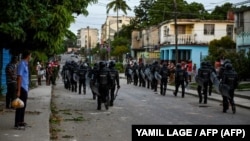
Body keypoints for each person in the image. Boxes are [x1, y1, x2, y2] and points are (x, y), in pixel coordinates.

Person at [15, 50, 31, 128]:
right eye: (30, 55)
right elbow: (19, 77)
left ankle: (21, 121)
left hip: (25, 87)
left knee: (23, 105)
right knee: (20, 105)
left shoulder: (26, 64)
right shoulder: (22, 64)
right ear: (28, 56)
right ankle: (17, 123)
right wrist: (18, 90)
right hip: (22, 87)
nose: (30, 57)